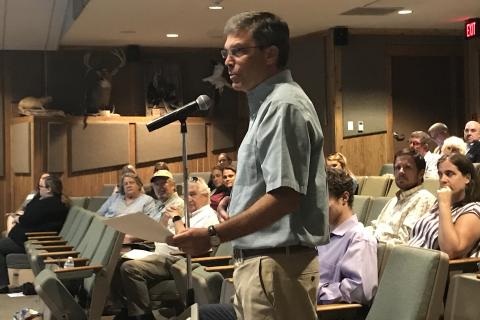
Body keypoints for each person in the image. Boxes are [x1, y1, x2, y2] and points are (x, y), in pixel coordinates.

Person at [169, 11, 328, 320]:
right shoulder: (267, 105)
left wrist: (213, 235)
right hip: (264, 264)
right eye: (225, 53)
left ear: (271, 54)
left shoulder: (282, 105)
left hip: (274, 266)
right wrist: (240, 205)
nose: (228, 61)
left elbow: (285, 196)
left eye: (239, 51)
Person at [115, 177, 219, 319]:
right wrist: (164, 220)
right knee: (117, 261)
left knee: (129, 268)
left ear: (206, 196)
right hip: (165, 257)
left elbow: (185, 242)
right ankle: (126, 309)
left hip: (182, 263)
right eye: (186, 194)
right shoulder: (191, 215)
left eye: (193, 194)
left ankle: (142, 316)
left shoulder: (208, 216)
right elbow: (166, 233)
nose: (187, 198)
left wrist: (176, 218)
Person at [317, 168, 377, 305]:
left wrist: (314, 292)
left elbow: (360, 290)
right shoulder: (320, 235)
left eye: (322, 200)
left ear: (344, 198)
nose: (316, 208)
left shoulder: (360, 237)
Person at [0, 175, 69, 293]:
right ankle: (2, 284)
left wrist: (18, 219)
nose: (39, 189)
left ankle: (2, 285)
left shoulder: (51, 205)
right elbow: (29, 213)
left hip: (32, 242)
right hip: (27, 238)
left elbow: (28, 218)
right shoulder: (45, 201)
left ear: (49, 189)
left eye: (41, 187)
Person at [409, 153, 480, 258]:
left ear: (467, 178)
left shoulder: (474, 209)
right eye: (440, 174)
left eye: (449, 174)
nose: (443, 179)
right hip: (411, 260)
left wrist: (445, 204)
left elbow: (451, 251)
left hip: (434, 270)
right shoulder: (439, 205)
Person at [365, 149, 435, 244]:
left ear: (421, 174)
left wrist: (372, 241)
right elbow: (375, 227)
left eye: (407, 167)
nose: (401, 171)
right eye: (397, 167)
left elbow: (404, 242)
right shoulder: (394, 200)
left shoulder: (424, 199)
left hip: (391, 255)